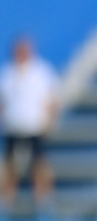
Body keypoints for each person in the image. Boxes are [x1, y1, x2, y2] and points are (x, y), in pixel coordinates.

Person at [0, 37, 58, 203]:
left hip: (34, 127)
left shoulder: (41, 71)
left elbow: (52, 99)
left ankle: (43, 202)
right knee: (9, 168)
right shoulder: (7, 73)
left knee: (39, 166)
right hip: (13, 128)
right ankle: (5, 203)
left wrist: (49, 121)